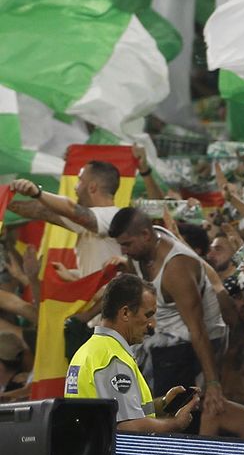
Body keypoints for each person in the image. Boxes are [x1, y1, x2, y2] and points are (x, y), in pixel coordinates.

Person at [107, 207, 228, 411]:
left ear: (145, 235)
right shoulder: (141, 250)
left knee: (165, 410)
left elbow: (197, 329)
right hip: (165, 339)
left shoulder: (176, 268)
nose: (123, 252)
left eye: (127, 245)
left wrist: (213, 383)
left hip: (198, 342)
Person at [65, 274, 200, 432]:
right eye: (148, 315)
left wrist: (163, 403)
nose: (151, 324)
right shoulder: (113, 359)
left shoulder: (87, 351)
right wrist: (176, 423)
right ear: (125, 313)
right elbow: (128, 427)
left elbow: (118, 413)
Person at [9, 161, 126, 272]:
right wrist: (4, 199)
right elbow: (41, 211)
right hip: (94, 293)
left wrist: (37, 193)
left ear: (92, 187)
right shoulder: (88, 221)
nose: (75, 187)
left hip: (115, 293)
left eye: (80, 181)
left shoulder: (114, 216)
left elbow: (72, 209)